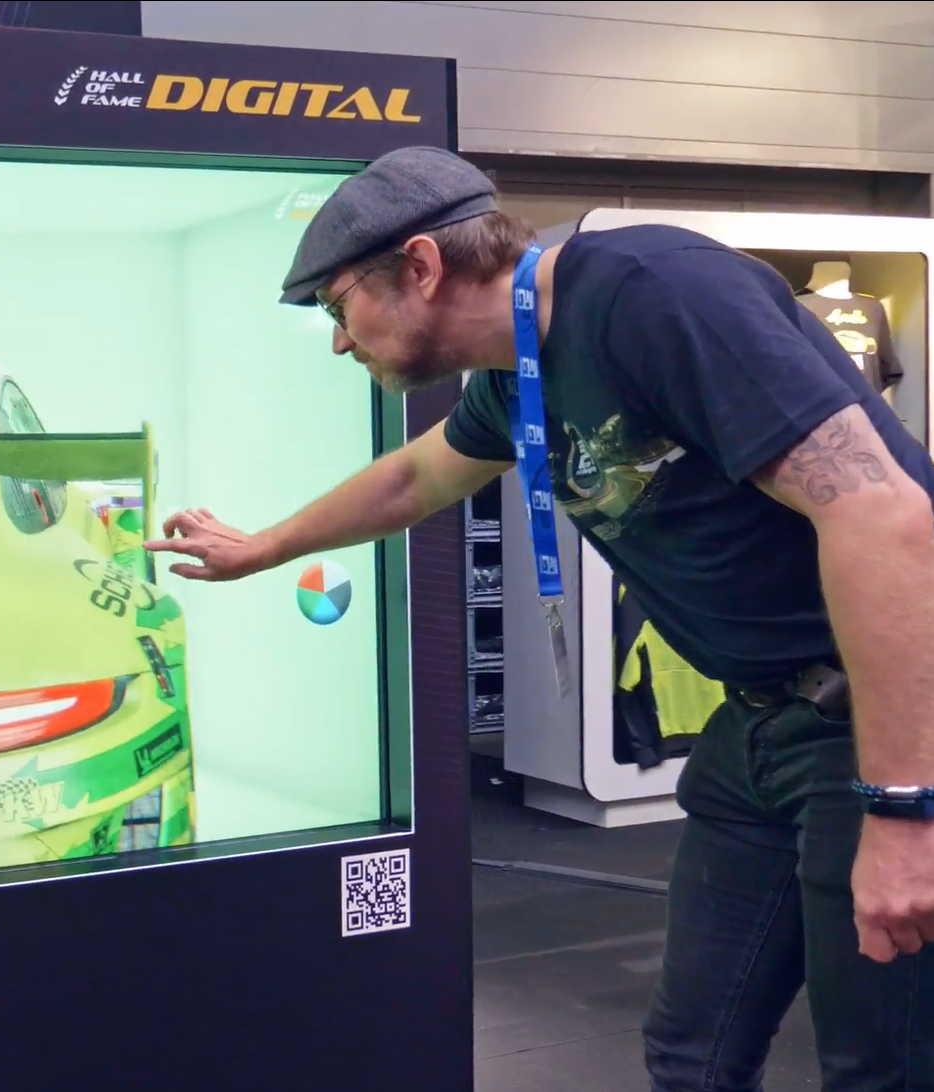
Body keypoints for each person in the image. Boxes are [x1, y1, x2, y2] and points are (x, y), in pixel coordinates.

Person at [145, 145, 934, 1091]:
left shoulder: (656, 292)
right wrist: (258, 547)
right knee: (694, 1053)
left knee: (879, 1068)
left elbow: (881, 513)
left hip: (881, 728)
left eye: (337, 306)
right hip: (762, 724)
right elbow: (416, 477)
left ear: (423, 267)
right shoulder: (519, 366)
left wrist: (903, 809)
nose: (339, 341)